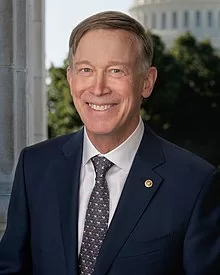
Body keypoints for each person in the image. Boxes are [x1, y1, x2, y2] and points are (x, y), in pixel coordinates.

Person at [0, 10, 219, 275]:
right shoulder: (34, 166)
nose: (98, 87)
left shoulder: (195, 183)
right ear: (70, 79)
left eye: (116, 70)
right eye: (86, 70)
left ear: (147, 82)